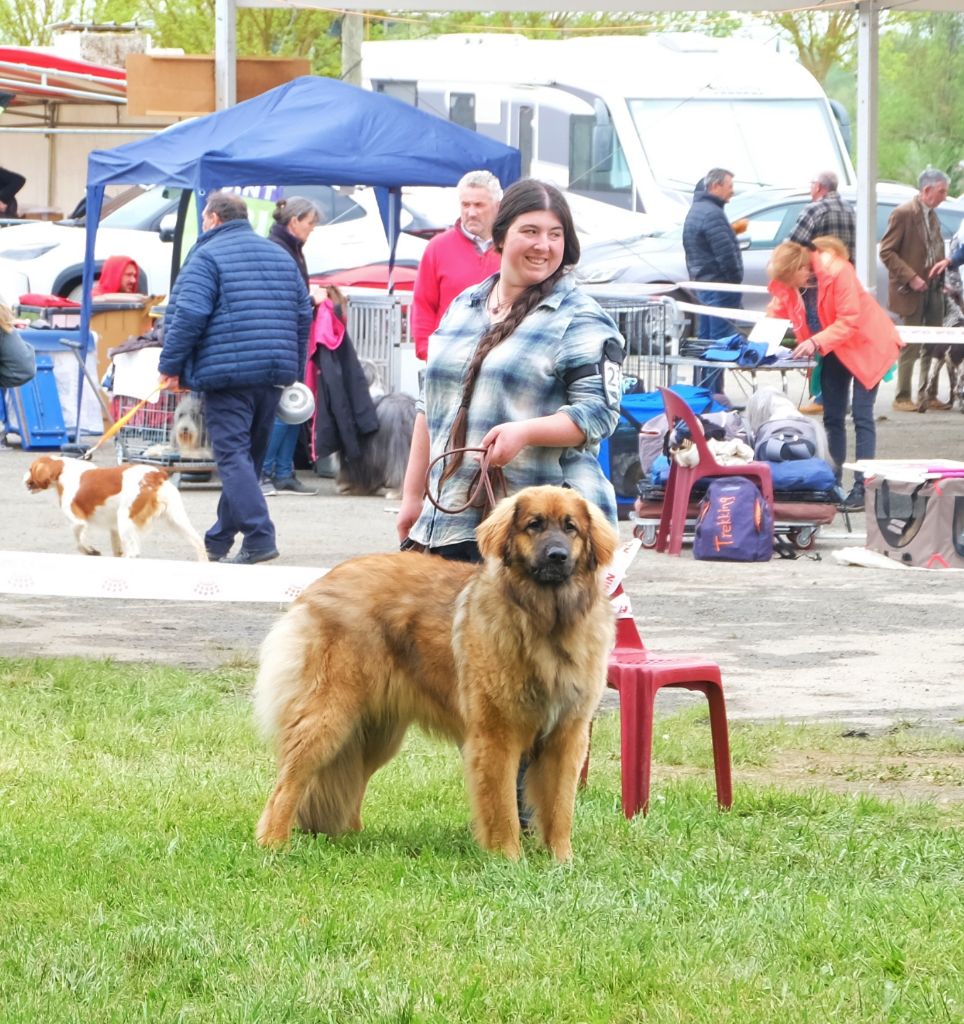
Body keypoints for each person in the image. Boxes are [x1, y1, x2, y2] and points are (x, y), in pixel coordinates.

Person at [397, 178, 624, 826]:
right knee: (480, 680)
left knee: (539, 673)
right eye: (530, 231)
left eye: (556, 235)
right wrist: (414, 497)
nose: (543, 245)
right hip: (454, 516)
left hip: (544, 530)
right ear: (500, 236)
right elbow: (429, 408)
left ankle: (532, 822)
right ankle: (502, 814)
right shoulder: (466, 304)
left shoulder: (582, 318)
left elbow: (598, 414)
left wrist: (527, 431)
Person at [158, 191, 313, 564]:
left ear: (211, 218)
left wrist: (170, 366)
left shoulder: (206, 256)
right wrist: (292, 367)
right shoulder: (280, 254)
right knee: (246, 460)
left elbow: (189, 315)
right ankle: (218, 540)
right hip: (273, 375)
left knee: (231, 457)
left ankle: (260, 536)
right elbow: (303, 313)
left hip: (227, 376)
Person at [766, 237, 903, 510]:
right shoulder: (792, 280)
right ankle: (832, 483)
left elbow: (849, 319)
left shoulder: (839, 270)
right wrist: (761, 339)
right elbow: (777, 310)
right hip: (833, 349)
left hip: (867, 345)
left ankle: (863, 488)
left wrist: (815, 342)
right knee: (832, 418)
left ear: (802, 268)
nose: (792, 287)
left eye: (794, 280)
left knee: (862, 417)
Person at [260, 196, 324, 496]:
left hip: (289, 334)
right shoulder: (280, 249)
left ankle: (282, 471)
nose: (312, 229)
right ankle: (266, 470)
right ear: (294, 221)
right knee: (285, 406)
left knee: (293, 404)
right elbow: (285, 296)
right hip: (281, 335)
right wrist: (313, 300)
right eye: (310, 223)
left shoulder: (291, 248)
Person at [410, 170, 503, 360]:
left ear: (497, 206)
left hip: (499, 359)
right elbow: (423, 304)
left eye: (479, 205)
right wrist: (427, 350)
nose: (471, 212)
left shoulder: (511, 247)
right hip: (447, 358)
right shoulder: (437, 247)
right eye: (465, 205)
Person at [879, 168, 950, 412]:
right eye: (942, 191)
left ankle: (927, 393)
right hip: (911, 290)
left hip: (934, 288)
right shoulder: (903, 213)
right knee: (910, 343)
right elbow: (886, 251)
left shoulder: (932, 214)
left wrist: (942, 278)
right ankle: (902, 396)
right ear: (927, 190)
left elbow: (935, 249)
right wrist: (911, 278)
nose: (945, 196)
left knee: (933, 341)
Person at [787, 171, 857, 416]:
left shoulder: (814, 210)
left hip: (816, 284)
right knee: (838, 340)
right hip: (844, 281)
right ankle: (838, 397)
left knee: (819, 338)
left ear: (818, 187)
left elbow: (793, 246)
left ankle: (822, 396)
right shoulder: (851, 210)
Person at [681, 168, 744, 395]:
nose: (732, 192)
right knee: (719, 345)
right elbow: (726, 255)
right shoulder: (713, 214)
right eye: (729, 187)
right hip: (719, 288)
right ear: (715, 186)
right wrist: (735, 281)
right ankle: (713, 395)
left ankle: (704, 394)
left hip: (704, 286)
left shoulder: (697, 210)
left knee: (705, 344)